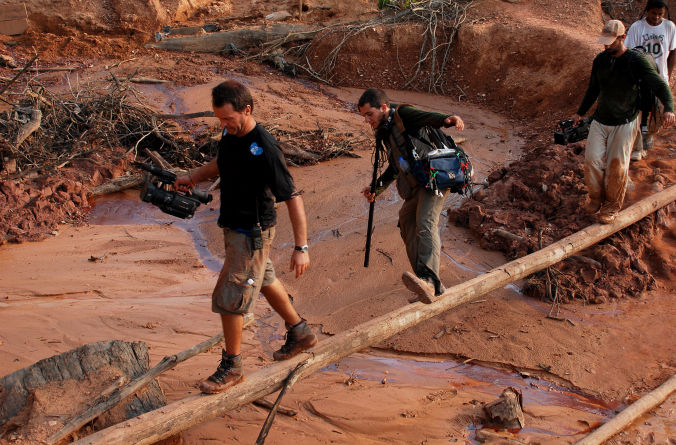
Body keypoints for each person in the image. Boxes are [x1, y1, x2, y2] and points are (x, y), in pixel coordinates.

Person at [175, 80, 317, 394]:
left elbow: (292, 196)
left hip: (251, 232)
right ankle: (301, 332)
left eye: (227, 119)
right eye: (219, 119)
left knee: (231, 297)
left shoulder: (265, 146)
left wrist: (301, 247)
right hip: (234, 227)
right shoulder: (230, 134)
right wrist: (192, 176)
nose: (222, 125)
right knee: (264, 279)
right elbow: (221, 164)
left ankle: (233, 365)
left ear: (247, 110)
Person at [358, 88, 464, 302]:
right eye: (364, 116)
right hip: (417, 184)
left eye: (370, 114)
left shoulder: (403, 114)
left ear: (384, 108)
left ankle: (430, 281)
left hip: (434, 180)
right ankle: (424, 283)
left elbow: (426, 116)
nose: (367, 120)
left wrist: (447, 120)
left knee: (425, 222)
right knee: (407, 221)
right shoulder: (387, 131)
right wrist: (376, 188)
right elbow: (396, 166)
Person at [572, 20, 675, 224]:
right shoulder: (600, 60)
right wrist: (580, 113)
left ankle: (611, 206)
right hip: (601, 120)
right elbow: (593, 88)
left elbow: (661, 86)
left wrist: (669, 109)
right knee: (591, 161)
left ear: (623, 37)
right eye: (605, 42)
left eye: (611, 42)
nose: (607, 46)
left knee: (617, 167)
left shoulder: (636, 61)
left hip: (625, 122)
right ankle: (595, 198)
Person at [625, 0, 676, 159]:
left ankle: (650, 134)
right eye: (654, 13)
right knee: (639, 110)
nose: (656, 17)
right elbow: (631, 52)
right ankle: (638, 147)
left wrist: (668, 74)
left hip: (660, 76)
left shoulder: (669, 27)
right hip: (640, 76)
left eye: (660, 14)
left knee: (659, 111)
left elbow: (673, 51)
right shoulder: (637, 27)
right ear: (647, 11)